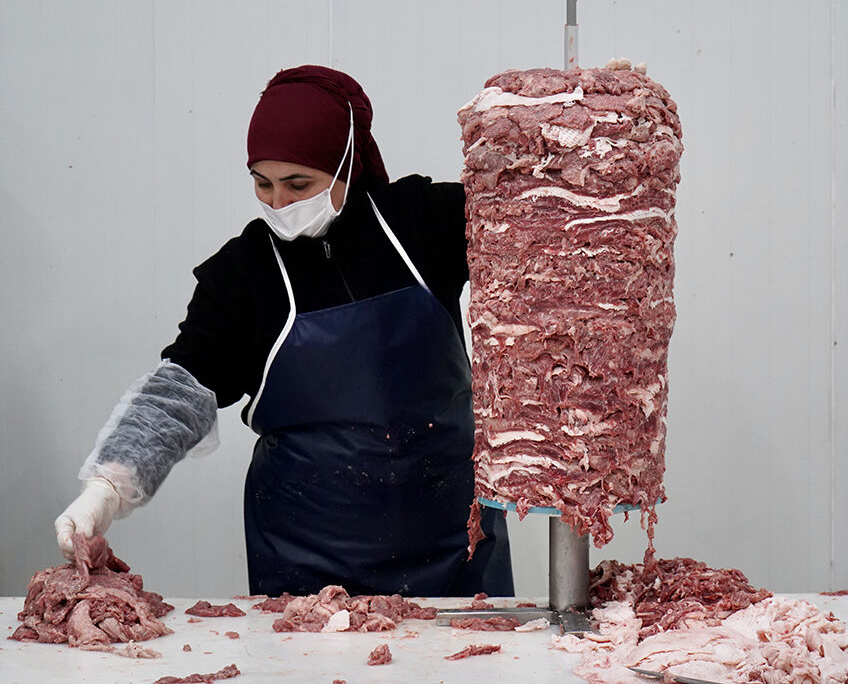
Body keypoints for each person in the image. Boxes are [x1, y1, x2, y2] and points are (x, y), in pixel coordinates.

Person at [54, 65, 514, 598]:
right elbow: (181, 392)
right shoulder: (244, 275)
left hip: (454, 541)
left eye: (299, 185)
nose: (278, 203)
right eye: (262, 183)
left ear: (346, 165)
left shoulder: (423, 223)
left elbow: (539, 228)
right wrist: (106, 487)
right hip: (307, 560)